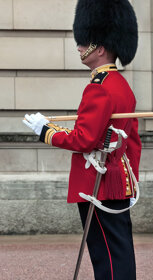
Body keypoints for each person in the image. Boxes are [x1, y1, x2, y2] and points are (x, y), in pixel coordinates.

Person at [23, 0, 141, 279]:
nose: (78, 47)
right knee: (119, 249)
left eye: (83, 42)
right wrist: (130, 179)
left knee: (105, 254)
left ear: (98, 48)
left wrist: (46, 131)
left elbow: (84, 139)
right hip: (118, 180)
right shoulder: (122, 86)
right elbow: (133, 143)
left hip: (98, 183)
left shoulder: (98, 88)